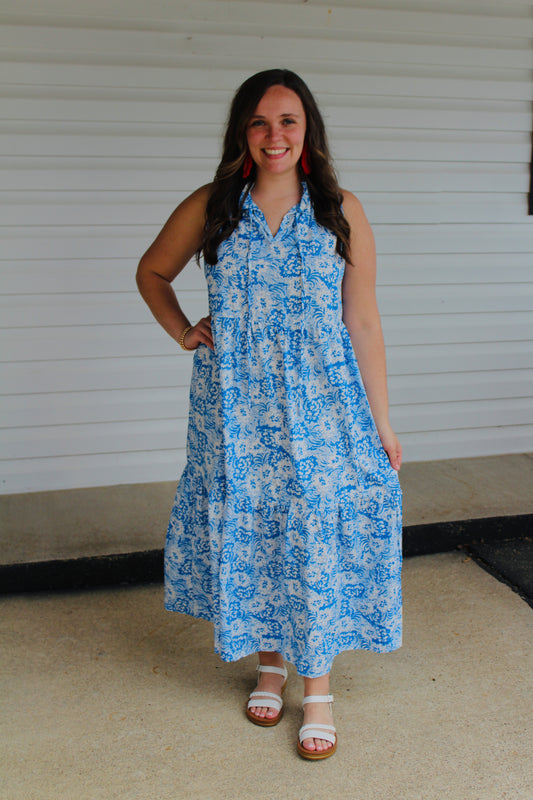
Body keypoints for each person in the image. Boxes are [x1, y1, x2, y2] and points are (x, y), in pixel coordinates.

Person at [136, 68, 402, 761]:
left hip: (321, 404)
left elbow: (363, 319)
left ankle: (316, 690)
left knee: (311, 528)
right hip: (234, 407)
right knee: (252, 526)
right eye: (259, 122)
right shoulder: (213, 206)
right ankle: (269, 664)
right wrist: (182, 330)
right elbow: (152, 272)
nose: (273, 135)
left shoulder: (338, 208)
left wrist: (381, 421)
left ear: (306, 129)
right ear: (242, 133)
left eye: (287, 120)